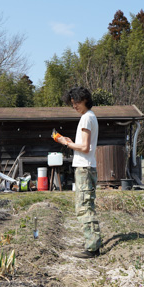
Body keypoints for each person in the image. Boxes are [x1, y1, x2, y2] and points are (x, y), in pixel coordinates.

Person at [53, 87, 102, 258]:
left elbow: (85, 147)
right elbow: (83, 146)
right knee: (86, 205)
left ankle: (92, 247)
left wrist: (65, 143)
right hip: (87, 166)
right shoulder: (90, 117)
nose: (74, 106)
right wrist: (71, 141)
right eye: (72, 103)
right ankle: (92, 241)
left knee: (84, 206)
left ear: (85, 100)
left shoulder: (86, 118)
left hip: (84, 167)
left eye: (76, 102)